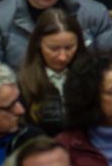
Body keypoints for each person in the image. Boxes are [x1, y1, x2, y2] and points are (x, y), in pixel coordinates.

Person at [17, 8, 88, 136]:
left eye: (69, 48)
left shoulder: (90, 75)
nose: (63, 57)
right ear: (38, 44)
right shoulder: (22, 82)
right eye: (54, 49)